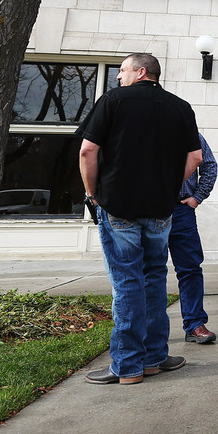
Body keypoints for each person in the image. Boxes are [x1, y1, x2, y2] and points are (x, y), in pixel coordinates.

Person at [79, 53, 202, 385]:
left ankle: (127, 365)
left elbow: (87, 150)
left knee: (127, 282)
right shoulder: (180, 106)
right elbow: (196, 156)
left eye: (122, 70)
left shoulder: (114, 100)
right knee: (153, 278)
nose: (119, 77)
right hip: (161, 208)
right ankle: (154, 357)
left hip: (118, 206)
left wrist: (92, 193)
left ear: (141, 71)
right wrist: (169, 185)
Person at [169, 132, 217, 344]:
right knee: (150, 271)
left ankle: (194, 323)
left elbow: (209, 165)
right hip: (149, 209)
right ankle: (147, 331)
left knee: (190, 268)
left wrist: (197, 197)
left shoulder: (189, 132)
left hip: (181, 210)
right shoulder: (146, 126)